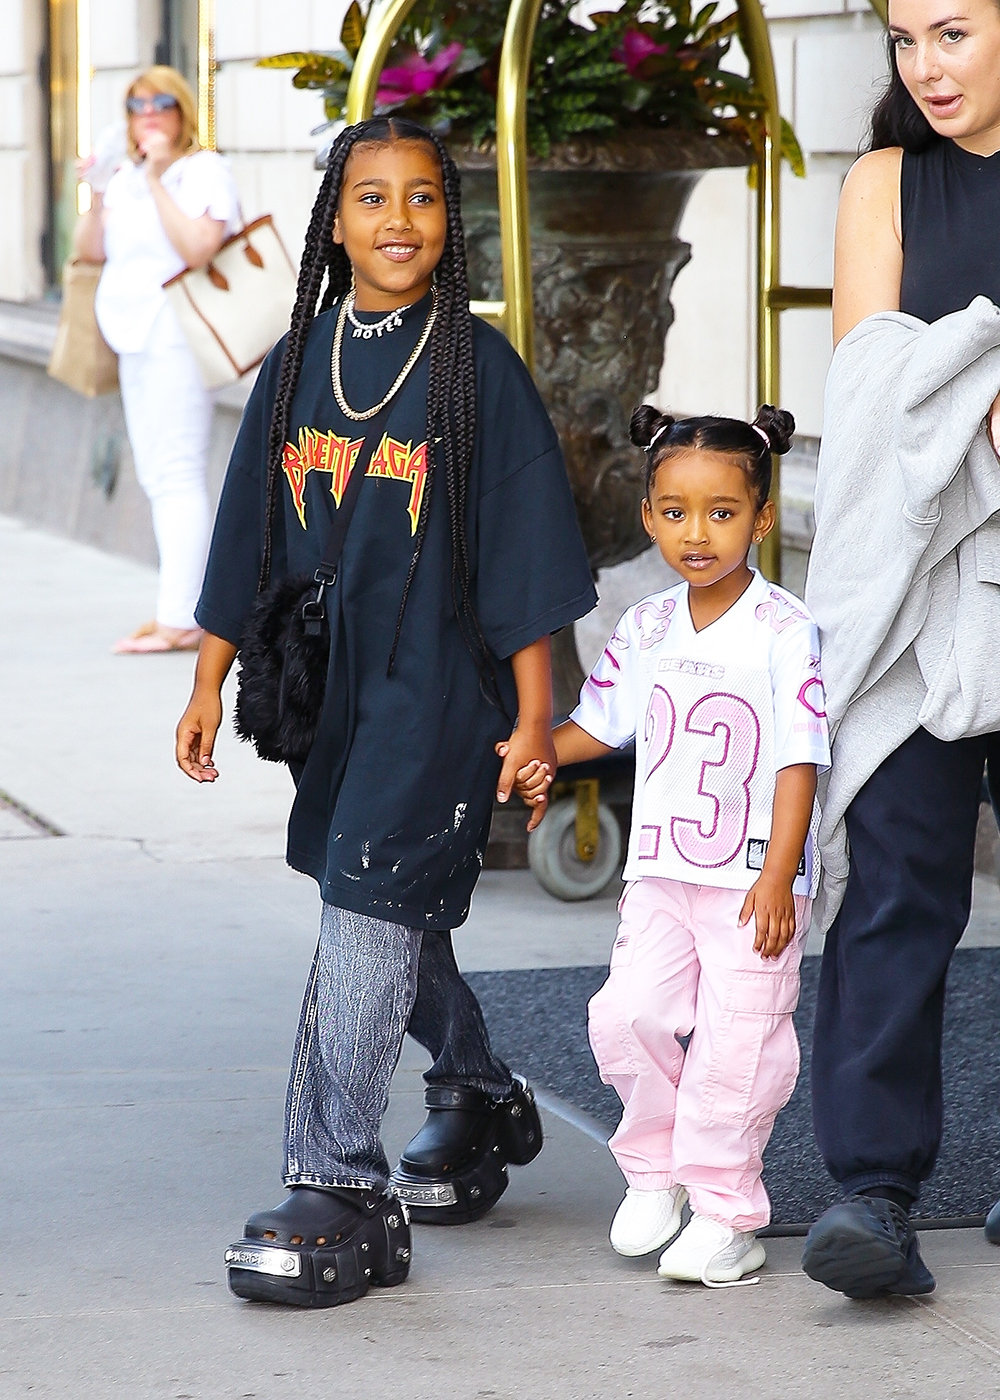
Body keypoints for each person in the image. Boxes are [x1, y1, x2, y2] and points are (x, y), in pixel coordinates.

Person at [174, 116, 597, 1308]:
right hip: (335, 693)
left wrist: (531, 721)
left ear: (446, 222)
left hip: (443, 695)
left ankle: (338, 1182)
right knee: (385, 898)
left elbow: (524, 564)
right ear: (333, 218)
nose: (398, 218)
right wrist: (208, 679)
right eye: (371, 197)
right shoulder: (299, 360)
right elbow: (243, 536)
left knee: (364, 903)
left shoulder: (476, 369)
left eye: (421, 197)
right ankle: (476, 1088)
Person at [508, 404, 830, 1287]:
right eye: (676, 511)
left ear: (761, 518)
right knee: (626, 1016)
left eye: (723, 512)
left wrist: (776, 875)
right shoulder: (647, 626)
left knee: (739, 1043)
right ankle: (657, 1173)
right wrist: (530, 752)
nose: (698, 533)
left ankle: (728, 1211)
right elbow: (597, 727)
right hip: (661, 872)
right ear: (650, 514)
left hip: (752, 881)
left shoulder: (783, 629)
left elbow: (801, 760)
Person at [798, 0, 1000, 1300]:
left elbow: (919, 372)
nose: (925, 68)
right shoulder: (884, 183)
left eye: (955, 35)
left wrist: (960, 378)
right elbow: (866, 389)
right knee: (896, 886)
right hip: (931, 596)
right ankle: (872, 1194)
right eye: (905, 41)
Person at [73, 65, 240, 653]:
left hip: (178, 337)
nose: (148, 111)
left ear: (182, 110)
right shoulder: (124, 179)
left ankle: (183, 619)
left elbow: (197, 248)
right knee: (156, 474)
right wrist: (96, 193)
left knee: (177, 470)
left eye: (161, 100)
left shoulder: (204, 171)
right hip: (131, 337)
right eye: (136, 103)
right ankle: (179, 607)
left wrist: (158, 178)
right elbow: (88, 251)